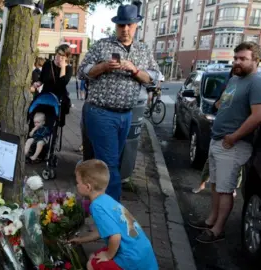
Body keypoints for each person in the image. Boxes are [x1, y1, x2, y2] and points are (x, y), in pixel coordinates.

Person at [78, 5, 160, 202]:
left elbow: (155, 77)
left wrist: (134, 70)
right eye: (121, 25)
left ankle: (94, 201)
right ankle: (112, 210)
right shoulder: (102, 45)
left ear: (136, 25)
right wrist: (103, 67)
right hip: (101, 112)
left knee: (109, 161)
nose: (125, 29)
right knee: (110, 164)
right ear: (115, 25)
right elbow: (82, 71)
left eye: (129, 25)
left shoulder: (143, 49)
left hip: (126, 114)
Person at [189, 42, 261, 244]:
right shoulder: (235, 78)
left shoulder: (258, 81)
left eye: (243, 59)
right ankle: (210, 220)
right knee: (215, 185)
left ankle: (218, 229)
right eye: (236, 58)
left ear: (256, 60)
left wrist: (234, 136)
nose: (237, 62)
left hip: (233, 144)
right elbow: (223, 101)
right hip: (218, 140)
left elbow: (258, 116)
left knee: (225, 189)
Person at [70, 159, 158, 270]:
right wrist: (82, 239)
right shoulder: (106, 199)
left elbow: (115, 236)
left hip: (131, 259)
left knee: (91, 264)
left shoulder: (96, 207)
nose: (77, 185)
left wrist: (108, 255)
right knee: (93, 256)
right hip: (141, 252)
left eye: (78, 182)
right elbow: (105, 229)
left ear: (88, 187)